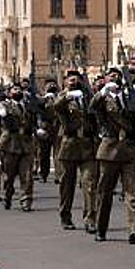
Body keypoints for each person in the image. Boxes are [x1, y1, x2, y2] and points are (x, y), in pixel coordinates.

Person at [91, 67, 135, 245]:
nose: (115, 77)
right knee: (105, 192)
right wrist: (102, 92)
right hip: (110, 150)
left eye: (117, 75)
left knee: (132, 192)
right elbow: (92, 107)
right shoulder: (103, 98)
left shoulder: (129, 96)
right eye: (112, 75)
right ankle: (101, 228)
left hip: (130, 150)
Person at [52, 70, 99, 231]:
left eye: (76, 79)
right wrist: (69, 95)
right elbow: (56, 106)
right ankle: (65, 216)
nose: (74, 82)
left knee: (90, 184)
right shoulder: (62, 98)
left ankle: (90, 218)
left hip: (87, 145)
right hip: (70, 145)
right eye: (70, 80)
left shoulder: (87, 97)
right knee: (67, 185)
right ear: (64, 82)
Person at [0, 82, 36, 211]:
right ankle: (8, 195)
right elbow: (0, 112)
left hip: (26, 143)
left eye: (19, 89)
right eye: (14, 89)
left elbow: (34, 118)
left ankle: (26, 200)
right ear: (9, 92)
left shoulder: (27, 105)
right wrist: (4, 113)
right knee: (9, 175)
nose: (18, 91)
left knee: (27, 175)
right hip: (10, 144)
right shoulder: (5, 104)